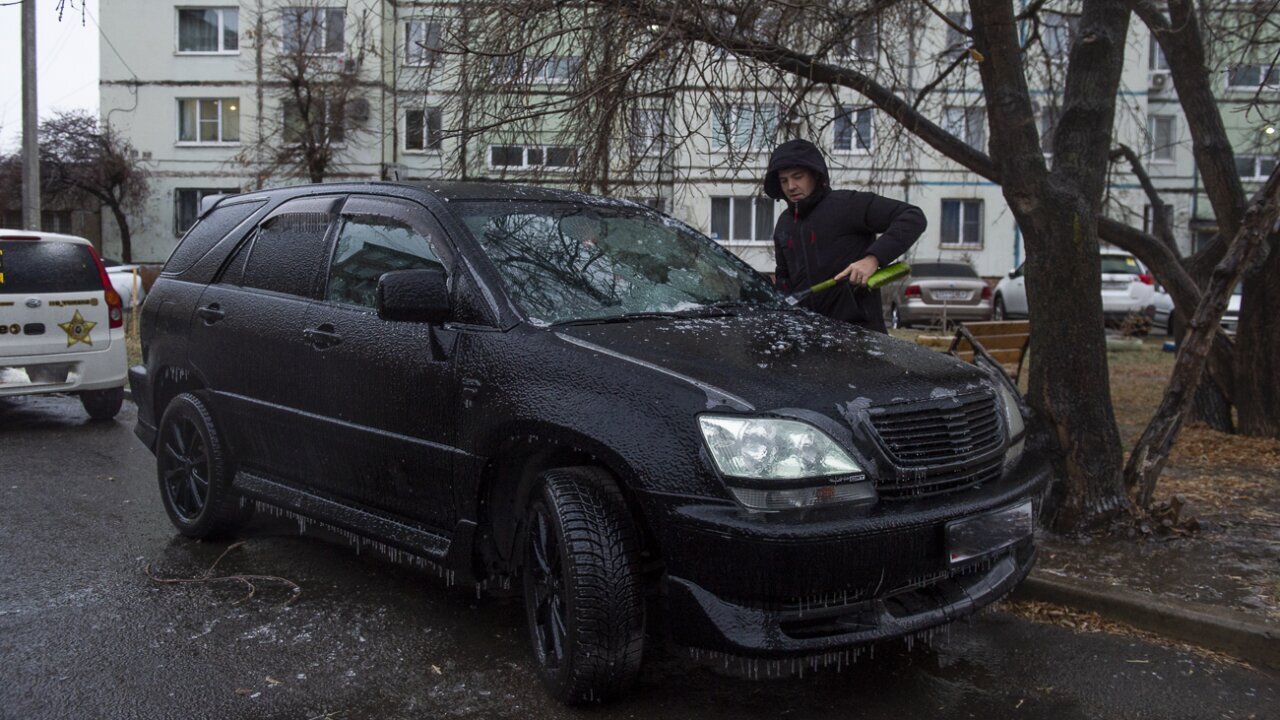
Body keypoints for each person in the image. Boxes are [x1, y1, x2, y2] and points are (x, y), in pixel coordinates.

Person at [764, 138, 926, 333]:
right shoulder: (784, 224)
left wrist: (873, 259)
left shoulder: (847, 205)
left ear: (815, 175)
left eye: (797, 176)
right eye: (784, 180)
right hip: (808, 338)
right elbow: (784, 279)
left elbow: (912, 217)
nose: (791, 186)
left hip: (859, 335)